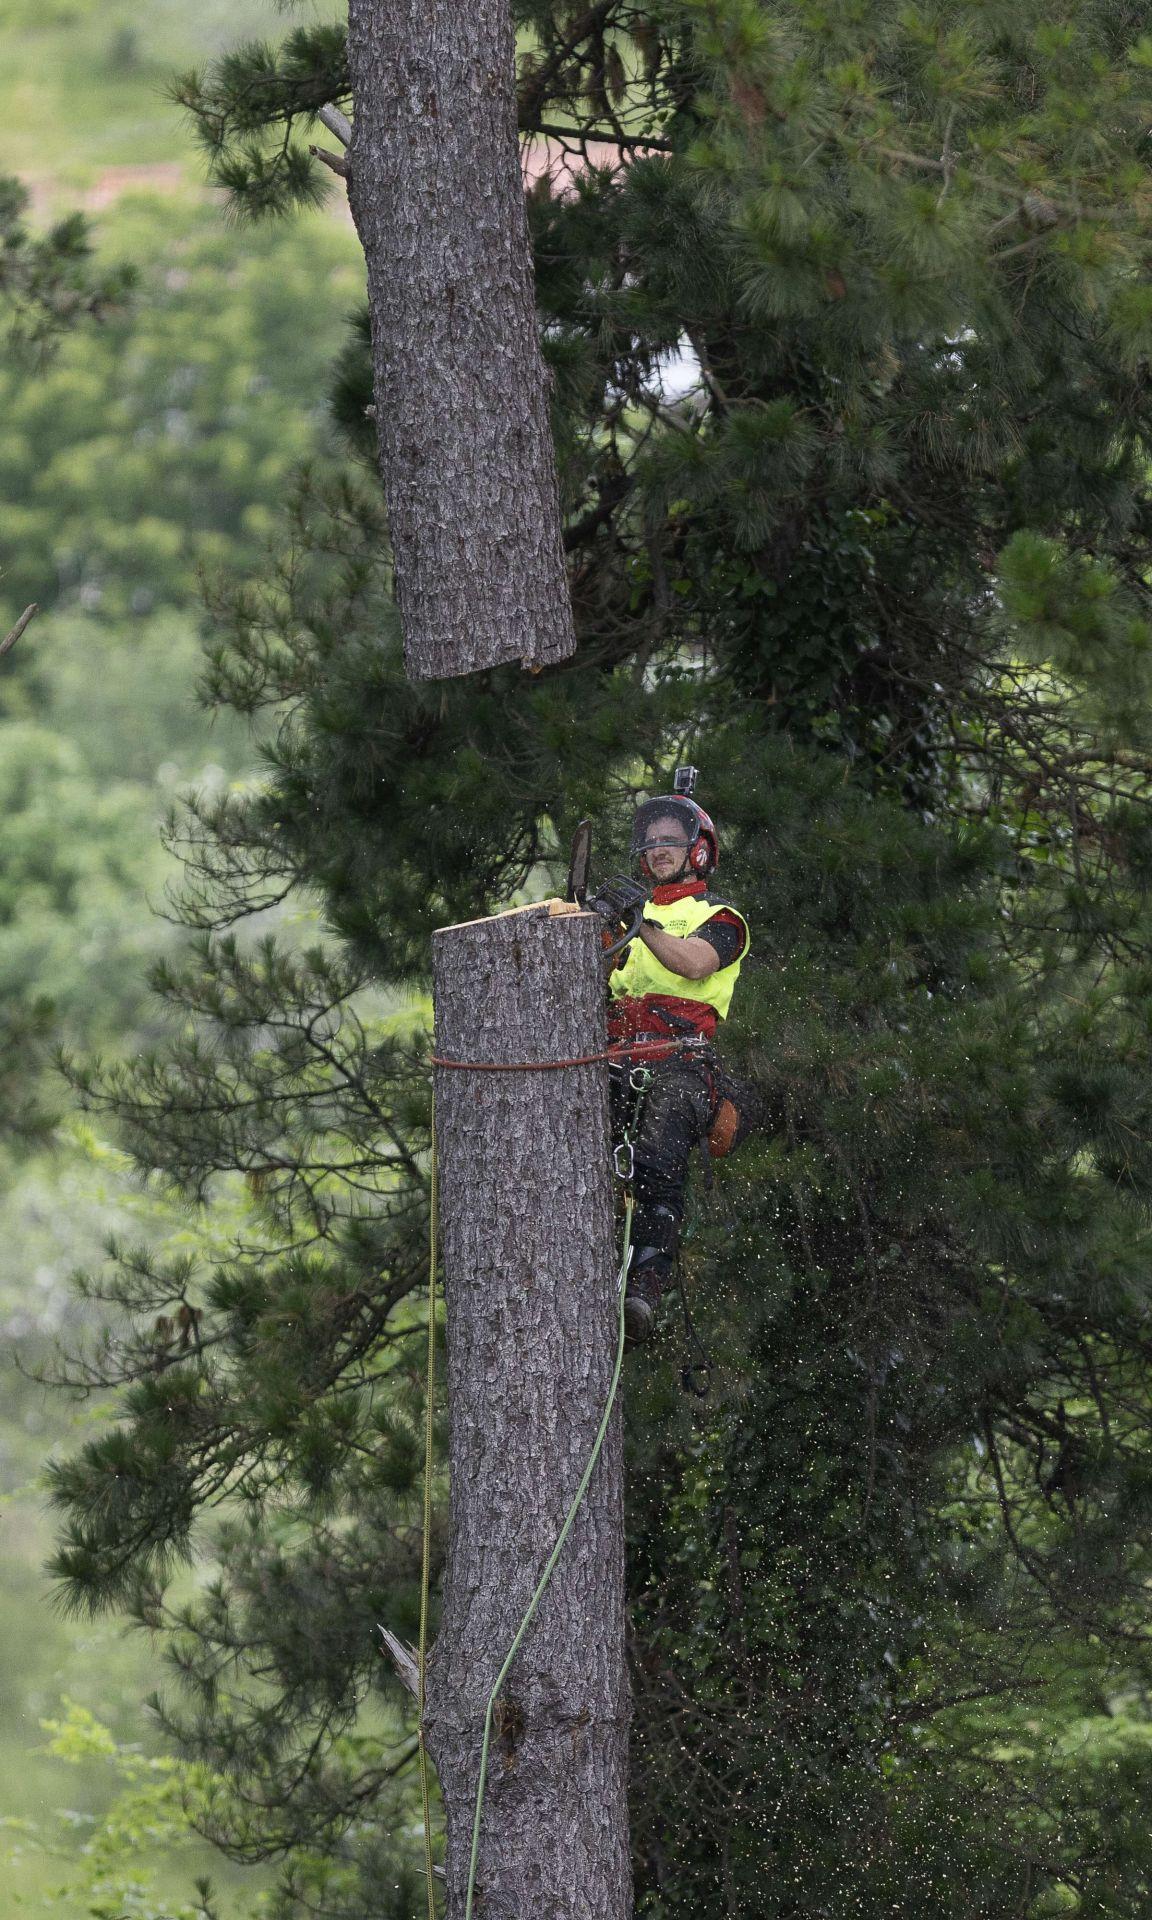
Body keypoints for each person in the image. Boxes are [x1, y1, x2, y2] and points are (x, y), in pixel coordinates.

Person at [594, 792, 750, 1346]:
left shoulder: (720, 918)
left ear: (698, 850)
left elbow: (694, 963)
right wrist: (598, 929)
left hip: (681, 1061)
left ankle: (644, 1288)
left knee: (659, 1156)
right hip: (613, 1058)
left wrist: (642, 925)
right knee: (580, 1149)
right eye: (652, 840)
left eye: (671, 840)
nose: (659, 849)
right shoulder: (631, 922)